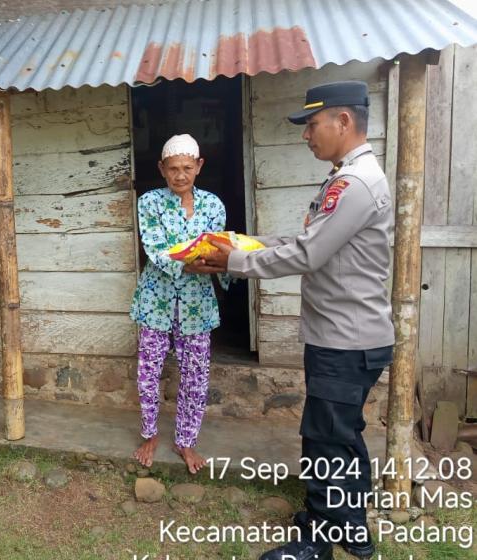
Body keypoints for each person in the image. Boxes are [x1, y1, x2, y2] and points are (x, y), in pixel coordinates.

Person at [201, 81, 393, 560]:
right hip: (344, 336)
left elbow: (308, 254)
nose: (307, 135)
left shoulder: (355, 183)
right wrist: (244, 242)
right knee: (340, 435)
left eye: (312, 124)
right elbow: (302, 240)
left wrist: (232, 263)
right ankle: (349, 527)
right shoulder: (345, 177)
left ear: (342, 121)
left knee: (326, 440)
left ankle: (320, 541)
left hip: (345, 341)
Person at [129, 134, 229, 474]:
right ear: (162, 168)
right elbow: (155, 249)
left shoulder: (214, 206)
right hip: (155, 300)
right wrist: (192, 263)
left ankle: (186, 441)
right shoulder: (150, 203)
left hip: (197, 305)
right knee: (148, 372)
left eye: (187, 167)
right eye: (173, 169)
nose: (180, 175)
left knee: (195, 376)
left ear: (199, 167)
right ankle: (150, 435)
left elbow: (219, 249)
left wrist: (230, 265)